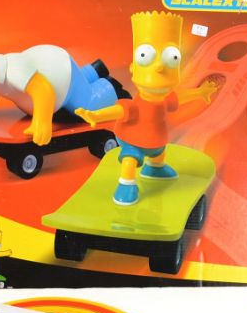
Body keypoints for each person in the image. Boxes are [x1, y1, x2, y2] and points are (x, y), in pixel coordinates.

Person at [76, 11, 217, 206]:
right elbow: (119, 111)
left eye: (172, 58)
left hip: (156, 140)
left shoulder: (165, 99)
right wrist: (95, 115)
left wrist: (200, 92)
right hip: (132, 140)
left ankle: (155, 168)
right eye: (145, 57)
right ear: (133, 68)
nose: (159, 67)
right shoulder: (137, 105)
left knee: (159, 152)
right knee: (130, 161)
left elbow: (179, 98)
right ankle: (126, 185)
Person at [0, 13, 123, 146]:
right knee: (80, 82)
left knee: (86, 106)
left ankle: (110, 86)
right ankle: (94, 70)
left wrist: (42, 121)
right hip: (52, 67)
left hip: (64, 80)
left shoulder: (12, 68)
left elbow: (43, 90)